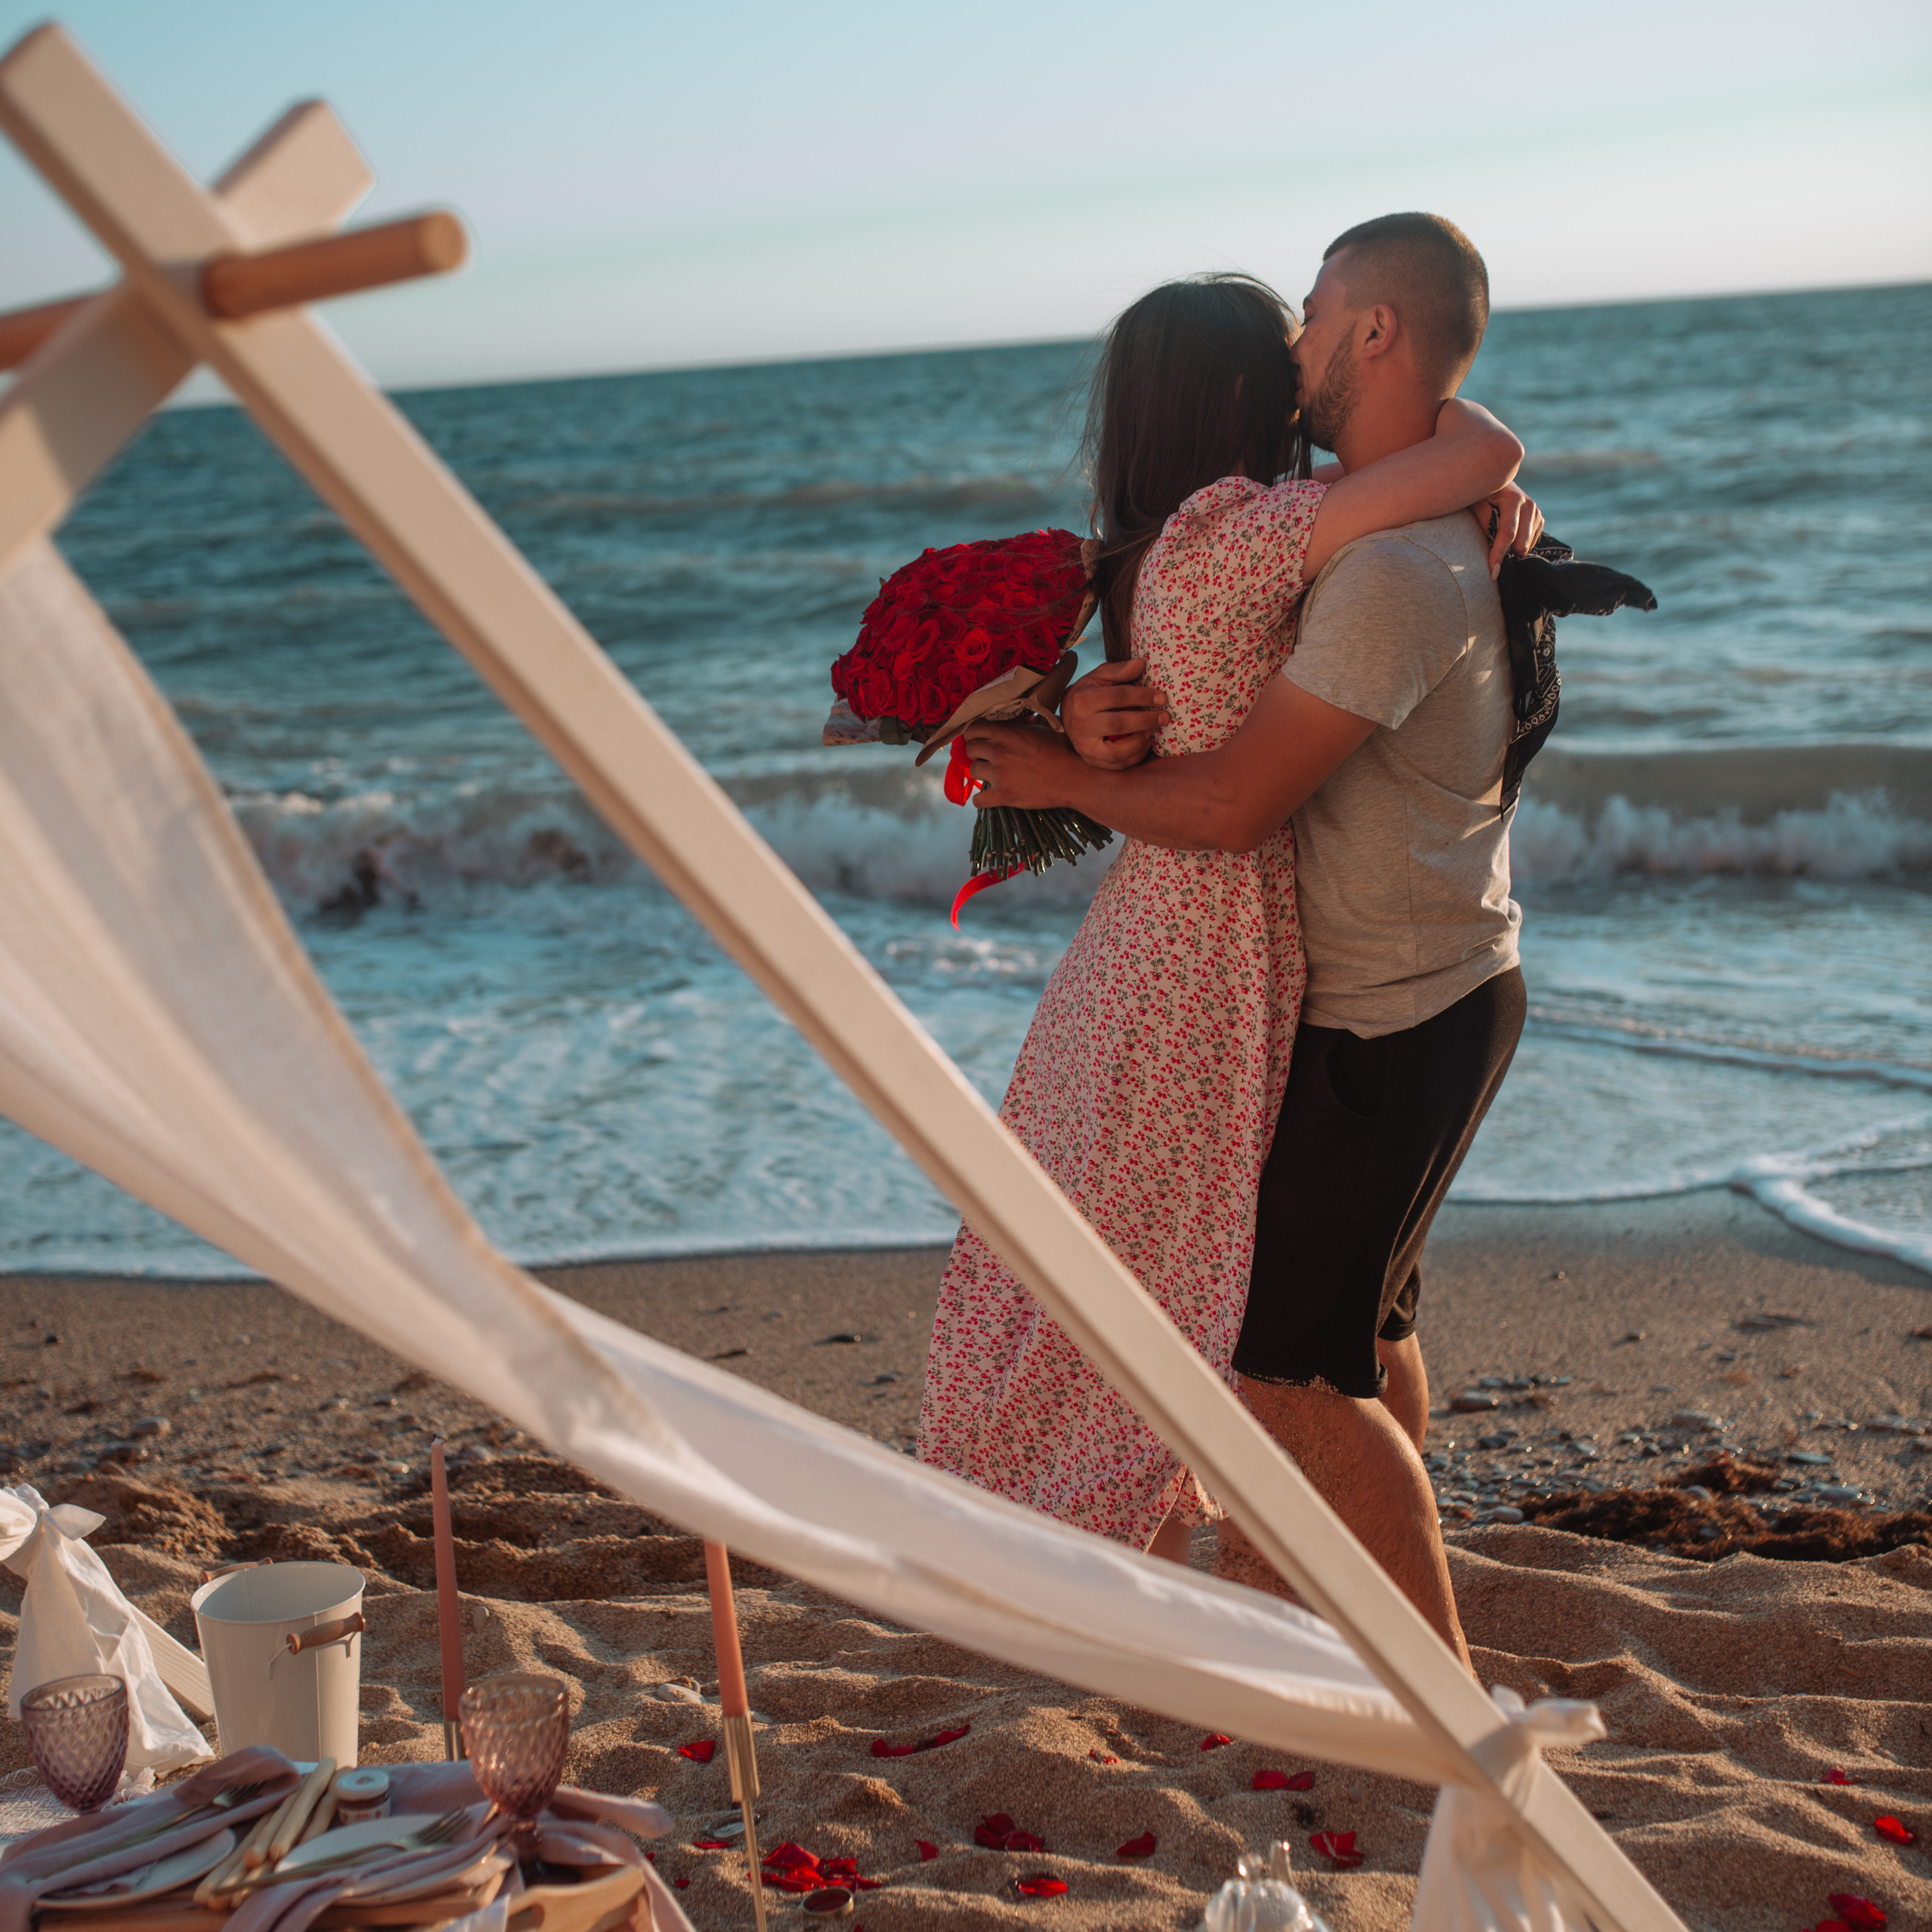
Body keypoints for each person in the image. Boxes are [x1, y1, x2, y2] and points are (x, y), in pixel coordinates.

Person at [917, 265, 1534, 1614]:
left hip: (1191, 959)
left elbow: (1210, 772)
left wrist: (1060, 751)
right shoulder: (1252, 534)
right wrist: (1464, 454)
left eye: (1317, 314)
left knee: (1271, 1339)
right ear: (1251, 394)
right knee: (1283, 1341)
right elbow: (1482, 443)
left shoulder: (1146, 558)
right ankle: (1313, 1628)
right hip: (1224, 961)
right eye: (1286, 334)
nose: (1306, 345)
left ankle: (1311, 1626)